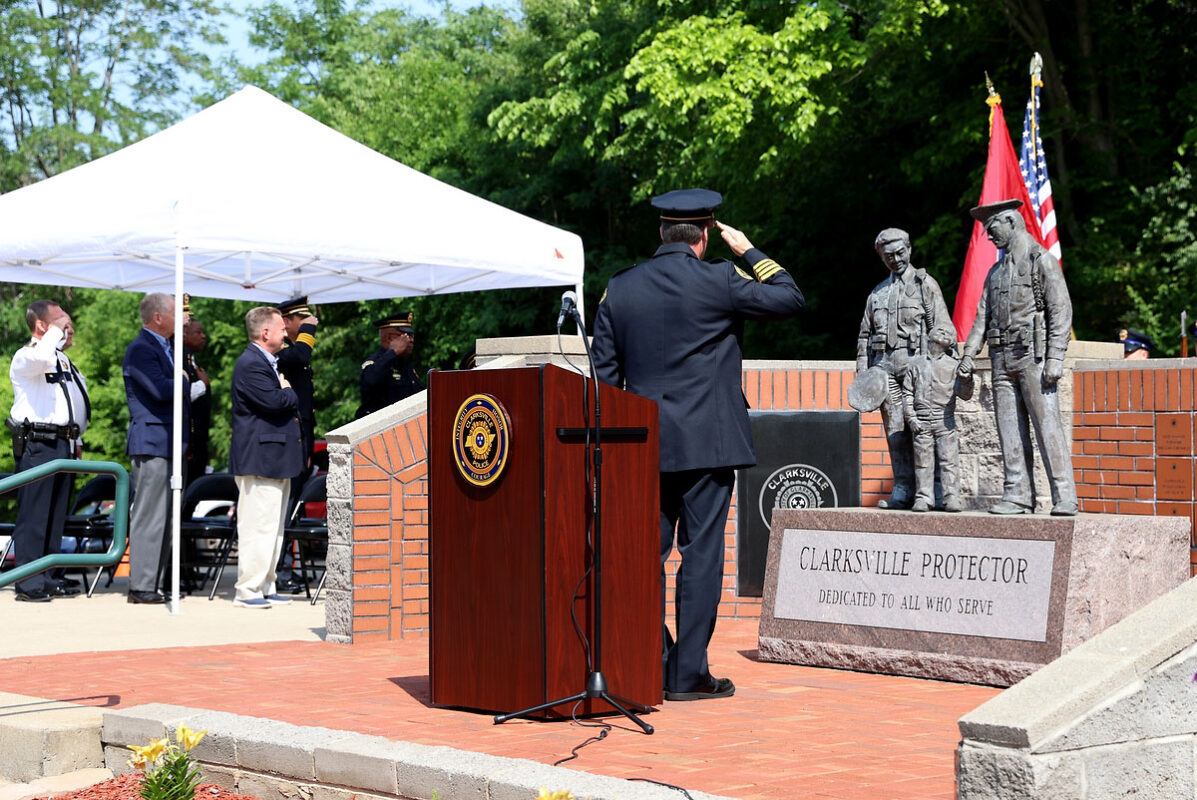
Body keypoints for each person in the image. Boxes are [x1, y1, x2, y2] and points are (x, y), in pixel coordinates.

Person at [592, 188, 804, 701]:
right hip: (709, 447)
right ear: (704, 236)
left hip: (643, 448)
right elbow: (790, 297)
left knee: (644, 556)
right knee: (701, 556)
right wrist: (749, 251)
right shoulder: (720, 280)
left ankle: (651, 660)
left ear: (662, 233)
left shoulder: (619, 289)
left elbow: (604, 379)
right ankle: (687, 675)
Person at [958, 199, 1077, 516]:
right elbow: (981, 318)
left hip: (1033, 357)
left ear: (1010, 221)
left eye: (992, 227)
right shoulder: (995, 273)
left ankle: (1064, 495)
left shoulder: (1042, 261)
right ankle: (1017, 495)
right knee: (1008, 429)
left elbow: (1060, 311)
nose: (988, 235)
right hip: (1000, 360)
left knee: (1046, 424)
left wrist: (1055, 358)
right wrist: (968, 354)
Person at [856, 228, 953, 510]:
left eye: (900, 253)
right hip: (884, 369)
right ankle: (902, 489)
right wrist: (864, 373)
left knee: (923, 431)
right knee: (896, 433)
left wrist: (938, 365)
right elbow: (864, 336)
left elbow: (943, 328)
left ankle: (934, 491)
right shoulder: (877, 293)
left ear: (909, 249)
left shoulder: (926, 286)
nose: (896, 259)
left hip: (918, 370)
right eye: (889, 256)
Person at [6, 301, 89, 602]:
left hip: (63, 443)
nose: (68, 327)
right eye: (61, 322)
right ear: (42, 325)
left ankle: (50, 575)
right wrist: (54, 332)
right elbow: (42, 358)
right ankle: (28, 582)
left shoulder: (61, 359)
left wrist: (78, 437)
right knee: (35, 515)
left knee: (56, 516)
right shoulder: (28, 355)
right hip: (38, 443)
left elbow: (76, 398)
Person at [229, 306, 305, 609]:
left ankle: (266, 583)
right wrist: (289, 392)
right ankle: (247, 589)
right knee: (257, 526)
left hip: (274, 459)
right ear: (265, 332)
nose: (286, 333)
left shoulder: (267, 363)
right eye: (281, 328)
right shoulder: (251, 363)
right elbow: (274, 401)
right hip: (260, 459)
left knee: (273, 526)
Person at [123, 292, 188, 604]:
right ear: (158, 317)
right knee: (150, 515)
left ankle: (154, 582)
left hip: (168, 441)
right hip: (152, 441)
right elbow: (162, 390)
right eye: (176, 313)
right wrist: (186, 380)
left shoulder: (167, 347)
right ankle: (142, 585)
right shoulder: (141, 350)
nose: (181, 319)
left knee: (167, 516)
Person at [274, 295, 319, 593]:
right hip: (288, 444)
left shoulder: (291, 352)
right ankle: (280, 571)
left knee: (293, 510)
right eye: (300, 321)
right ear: (286, 321)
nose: (306, 326)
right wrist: (310, 331)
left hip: (300, 442)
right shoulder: (281, 354)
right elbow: (302, 355)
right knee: (283, 509)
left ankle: (287, 568)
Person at [903, 325, 964, 512]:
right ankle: (923, 497)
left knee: (949, 461)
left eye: (948, 332)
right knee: (923, 462)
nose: (943, 333)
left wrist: (967, 379)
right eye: (939, 330)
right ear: (929, 336)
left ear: (951, 342)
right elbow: (907, 392)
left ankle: (951, 497)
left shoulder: (954, 365)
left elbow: (965, 394)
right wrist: (911, 417)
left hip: (944, 420)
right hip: (921, 420)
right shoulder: (915, 364)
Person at [356, 312, 423, 418]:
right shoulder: (374, 363)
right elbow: (370, 381)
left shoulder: (406, 366)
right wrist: (393, 352)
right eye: (406, 336)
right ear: (389, 338)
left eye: (412, 335)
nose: (411, 340)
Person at [181, 300, 212, 485]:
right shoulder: (181, 359)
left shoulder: (192, 361)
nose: (203, 336)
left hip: (199, 440)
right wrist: (203, 384)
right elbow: (181, 395)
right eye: (197, 333)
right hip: (188, 442)